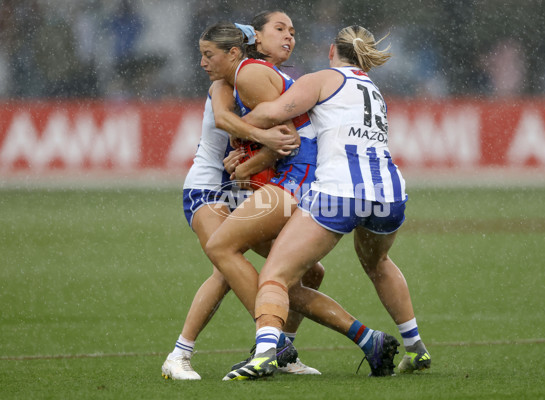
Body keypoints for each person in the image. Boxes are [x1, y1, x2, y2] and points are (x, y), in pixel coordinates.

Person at [224, 25, 431, 381]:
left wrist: (236, 129)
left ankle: (263, 356)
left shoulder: (322, 79)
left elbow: (274, 113)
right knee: (378, 263)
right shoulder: (373, 89)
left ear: (332, 49)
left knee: (275, 274)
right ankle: (416, 349)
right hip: (389, 193)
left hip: (339, 192)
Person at [161, 11, 321, 381]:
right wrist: (264, 141)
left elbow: (273, 138)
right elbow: (225, 121)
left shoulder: (254, 79)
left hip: (233, 188)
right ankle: (182, 355)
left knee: (308, 270)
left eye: (292, 32)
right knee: (224, 266)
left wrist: (247, 155)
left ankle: (282, 347)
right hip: (206, 189)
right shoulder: (226, 81)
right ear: (253, 43)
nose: (202, 63)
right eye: (279, 29)